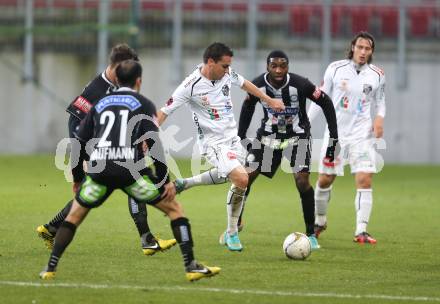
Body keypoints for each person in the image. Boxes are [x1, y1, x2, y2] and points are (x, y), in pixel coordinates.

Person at [39, 60, 220, 282]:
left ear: (116, 79)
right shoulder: (143, 103)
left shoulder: (100, 103)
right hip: (130, 173)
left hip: (99, 171)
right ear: (138, 81)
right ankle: (191, 266)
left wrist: (77, 178)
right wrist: (164, 181)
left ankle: (50, 268)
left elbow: (78, 142)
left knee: (75, 216)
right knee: (175, 210)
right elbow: (154, 144)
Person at [36, 44, 176, 255]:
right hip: (91, 145)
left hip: (103, 145)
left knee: (94, 190)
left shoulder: (116, 85)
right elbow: (74, 120)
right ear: (118, 65)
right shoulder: (97, 88)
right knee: (130, 174)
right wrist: (84, 153)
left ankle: (51, 228)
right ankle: (147, 240)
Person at [157, 42, 285, 252]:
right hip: (213, 143)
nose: (228, 70)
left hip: (232, 139)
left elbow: (244, 84)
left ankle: (185, 183)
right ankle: (232, 233)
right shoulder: (190, 85)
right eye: (224, 66)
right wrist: (147, 136)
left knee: (244, 173)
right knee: (241, 179)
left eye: (228, 66)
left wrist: (268, 100)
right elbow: (164, 111)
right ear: (210, 62)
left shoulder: (227, 74)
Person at [236, 50, 338, 250]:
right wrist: (241, 136)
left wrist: (334, 133)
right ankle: (235, 223)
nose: (278, 70)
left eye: (282, 66)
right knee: (245, 178)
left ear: (288, 67)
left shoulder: (300, 84)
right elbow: (248, 107)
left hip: (297, 137)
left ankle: (311, 233)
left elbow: (325, 101)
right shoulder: (257, 84)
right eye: (274, 66)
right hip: (267, 138)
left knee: (302, 180)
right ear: (267, 67)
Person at [308, 31, 386, 244]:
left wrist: (379, 118)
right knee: (325, 179)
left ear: (371, 52)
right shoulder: (335, 68)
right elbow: (319, 97)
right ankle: (320, 221)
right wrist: (305, 122)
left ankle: (361, 231)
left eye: (367, 49)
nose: (362, 52)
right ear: (353, 47)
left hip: (362, 135)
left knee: (364, 178)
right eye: (359, 47)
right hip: (335, 135)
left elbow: (380, 102)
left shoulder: (377, 74)